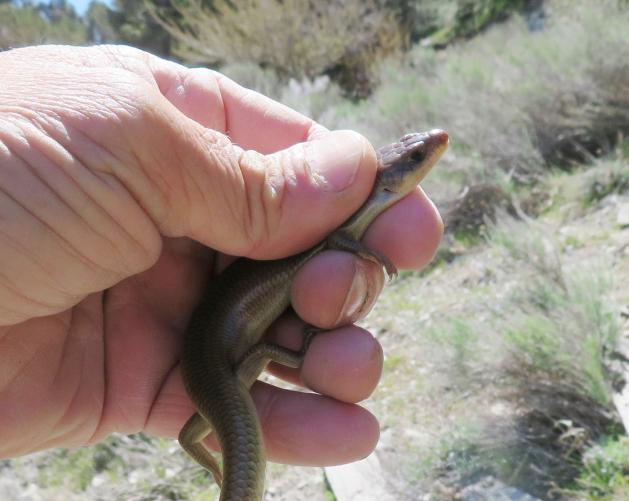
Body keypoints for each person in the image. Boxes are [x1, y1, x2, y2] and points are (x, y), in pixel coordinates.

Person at [0, 44, 443, 465]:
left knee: (252, 380)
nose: (430, 152)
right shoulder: (348, 212)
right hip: (210, 365)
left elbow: (335, 244)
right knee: (270, 360)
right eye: (417, 156)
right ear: (391, 176)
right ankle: (237, 422)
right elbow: (337, 242)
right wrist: (363, 250)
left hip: (209, 363)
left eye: (417, 154)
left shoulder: (356, 208)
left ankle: (216, 449)